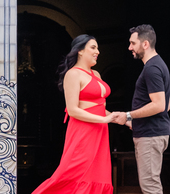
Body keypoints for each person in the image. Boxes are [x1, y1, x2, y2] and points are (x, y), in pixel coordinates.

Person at [32, 34, 121, 194]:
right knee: (74, 174)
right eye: (93, 47)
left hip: (100, 132)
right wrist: (104, 119)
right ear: (80, 50)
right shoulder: (73, 74)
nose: (98, 51)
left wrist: (119, 118)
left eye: (98, 48)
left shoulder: (97, 75)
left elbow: (99, 107)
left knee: (98, 176)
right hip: (83, 132)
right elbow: (73, 110)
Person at [123, 24, 170, 194]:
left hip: (150, 135)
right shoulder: (158, 65)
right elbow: (169, 102)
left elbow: (159, 105)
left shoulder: (151, 68)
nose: (130, 47)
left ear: (145, 44)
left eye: (133, 43)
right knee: (151, 184)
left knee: (150, 187)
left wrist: (129, 116)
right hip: (153, 132)